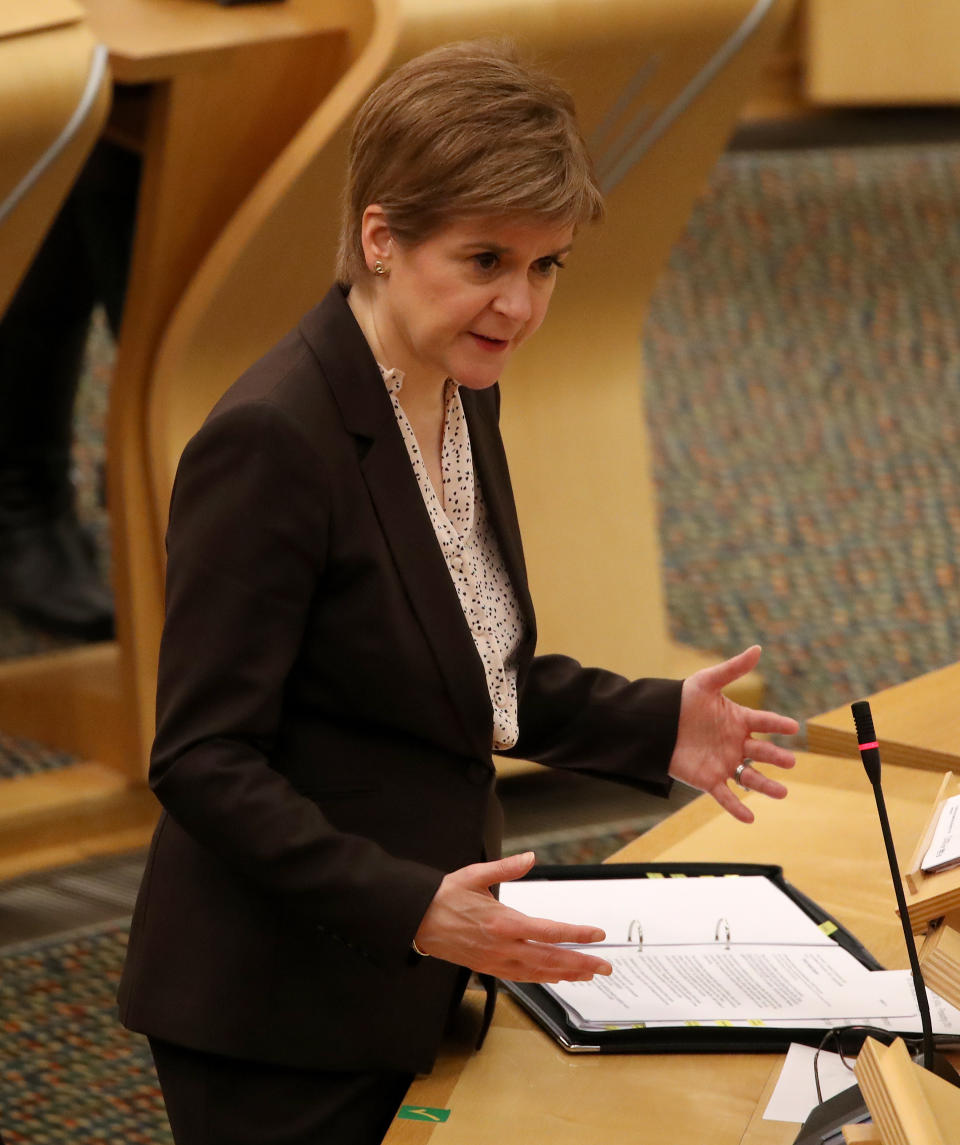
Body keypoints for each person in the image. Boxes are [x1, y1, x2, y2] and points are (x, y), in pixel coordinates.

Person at [118, 40, 798, 1145]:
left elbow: (461, 665)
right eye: (486, 259)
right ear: (381, 237)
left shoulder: (450, 388)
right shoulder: (271, 441)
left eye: (546, 266)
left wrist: (655, 721)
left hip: (416, 967)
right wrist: (410, 907)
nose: (520, 304)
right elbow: (202, 757)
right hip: (278, 1007)